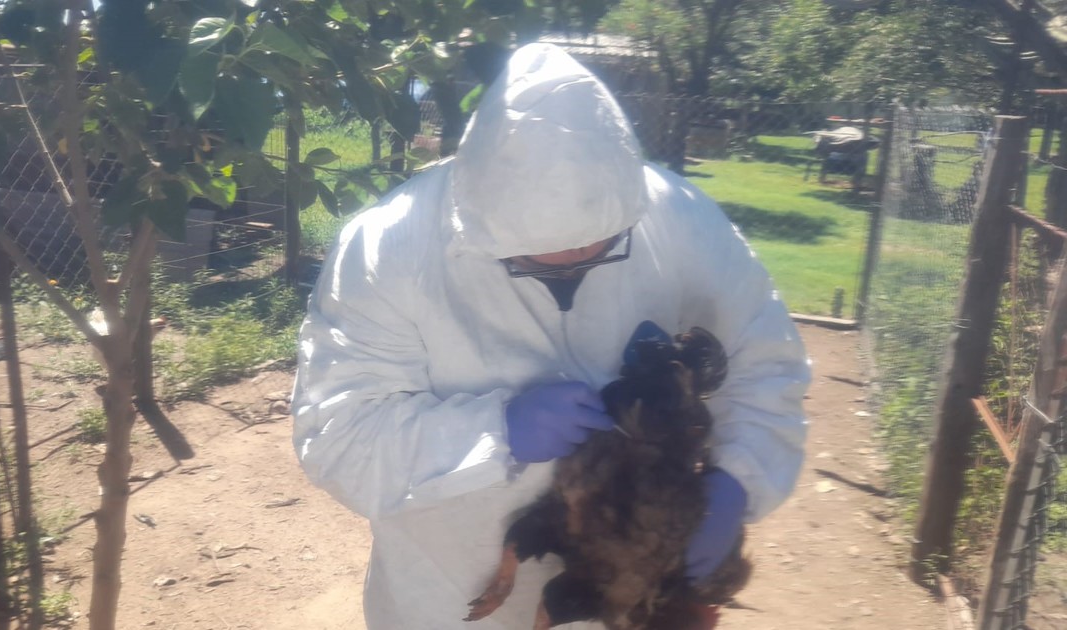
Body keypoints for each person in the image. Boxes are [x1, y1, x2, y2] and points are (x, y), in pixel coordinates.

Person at [290, 42, 811, 629]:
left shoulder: (683, 220)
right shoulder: (387, 247)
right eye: (535, 261)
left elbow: (765, 364)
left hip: (625, 593)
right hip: (442, 589)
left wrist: (737, 477)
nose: (572, 266)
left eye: (599, 250)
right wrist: (494, 431)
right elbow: (340, 438)